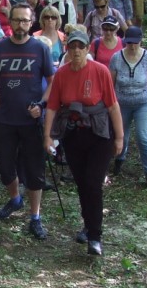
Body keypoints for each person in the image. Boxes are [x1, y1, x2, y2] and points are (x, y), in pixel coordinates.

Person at [42, 29, 124, 256]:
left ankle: (95, 236)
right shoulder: (62, 74)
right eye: (72, 47)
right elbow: (52, 106)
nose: (76, 51)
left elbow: (112, 106)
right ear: (67, 49)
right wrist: (47, 135)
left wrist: (119, 137)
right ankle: (88, 226)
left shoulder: (100, 71)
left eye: (81, 47)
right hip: (73, 135)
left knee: (93, 182)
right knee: (81, 183)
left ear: (88, 49)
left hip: (99, 134)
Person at [0, 3, 55, 240]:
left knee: (35, 170)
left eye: (25, 21)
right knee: (5, 167)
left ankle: (35, 217)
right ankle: (15, 199)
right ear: (10, 21)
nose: (20, 25)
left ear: (31, 22)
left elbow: (52, 82)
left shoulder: (40, 49)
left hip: (31, 119)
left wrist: (42, 105)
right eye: (16, 20)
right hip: (4, 118)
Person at [109, 26, 147, 187]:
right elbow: (111, 83)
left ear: (140, 41)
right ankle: (119, 159)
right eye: (129, 43)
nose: (132, 46)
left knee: (143, 136)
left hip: (143, 102)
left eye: (135, 43)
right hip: (121, 103)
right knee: (121, 135)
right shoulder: (116, 58)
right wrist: (109, 105)